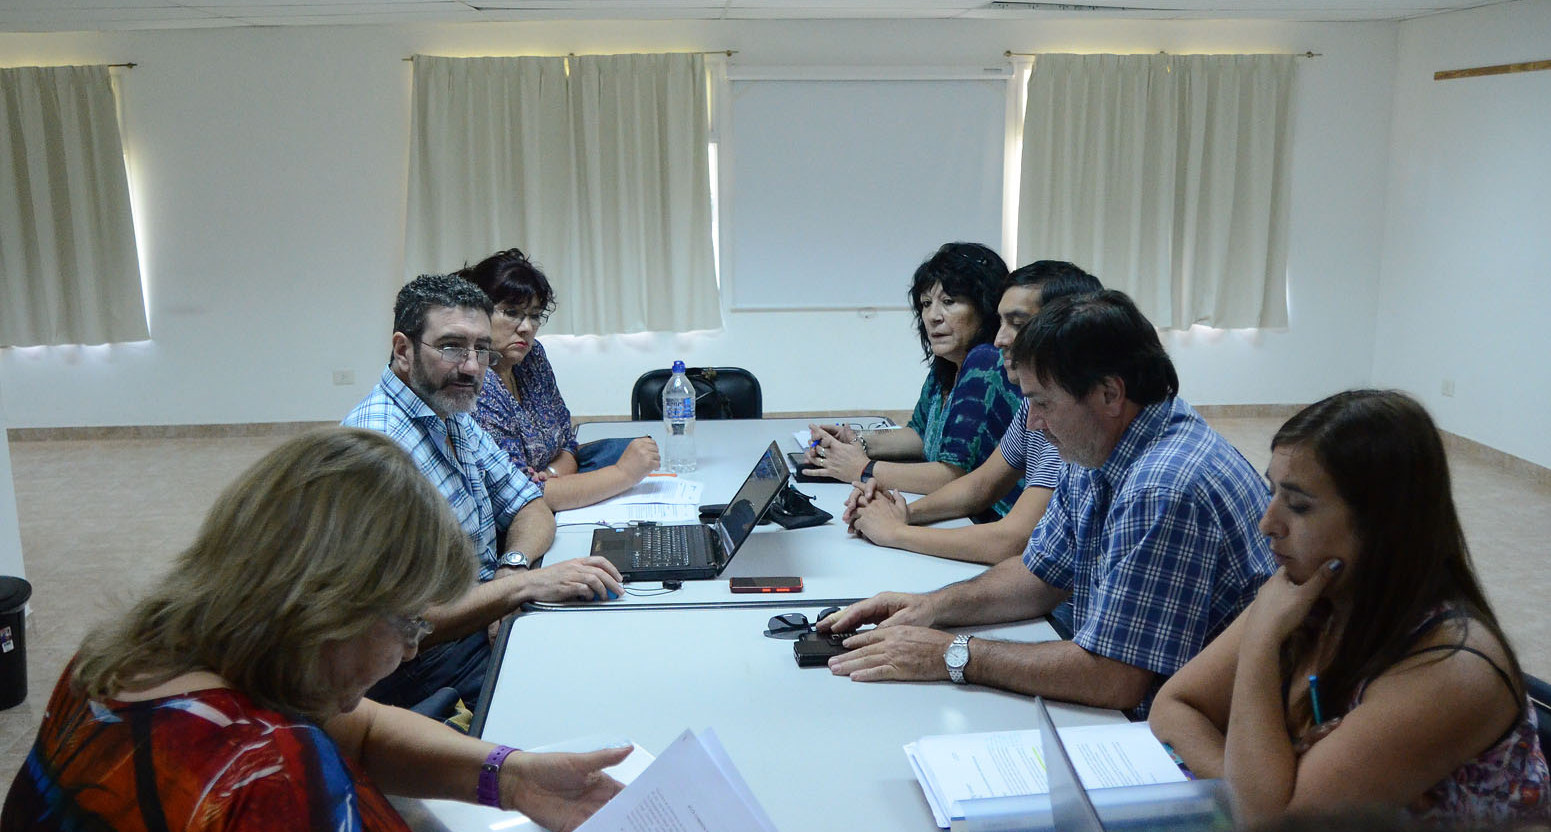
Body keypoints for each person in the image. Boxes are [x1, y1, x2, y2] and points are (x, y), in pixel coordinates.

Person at [0, 428, 630, 832]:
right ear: (330, 608)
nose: (414, 646)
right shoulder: (266, 772)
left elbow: (360, 728)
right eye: (409, 621)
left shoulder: (121, 659)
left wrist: (512, 776)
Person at [820, 290, 1276, 718]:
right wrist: (928, 608)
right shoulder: (1096, 439)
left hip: (1196, 732)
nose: (1033, 424)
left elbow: (1115, 677)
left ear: (1110, 393)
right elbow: (1040, 574)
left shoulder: (1163, 487)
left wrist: (951, 653)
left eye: (1043, 403)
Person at [1149, 390, 1549, 825]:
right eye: (1273, 492)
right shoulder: (1314, 593)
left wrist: (1261, 642)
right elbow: (1174, 706)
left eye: (1298, 505)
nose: (1267, 523)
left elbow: (1274, 822)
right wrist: (1258, 783)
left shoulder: (1454, 669)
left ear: (1382, 524)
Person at [343, 274, 623, 711]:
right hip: (423, 658)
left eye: (480, 349)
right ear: (403, 351)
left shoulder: (450, 409)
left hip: (480, 611)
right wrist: (520, 588)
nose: (473, 367)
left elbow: (530, 504)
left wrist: (511, 572)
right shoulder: (377, 451)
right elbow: (408, 622)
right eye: (452, 347)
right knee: (583, 691)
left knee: (605, 632)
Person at [844, 261, 1101, 565]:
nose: (1000, 339)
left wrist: (896, 530)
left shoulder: (1071, 413)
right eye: (925, 304)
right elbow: (980, 484)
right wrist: (903, 510)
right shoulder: (1035, 403)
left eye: (1017, 324)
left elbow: (1012, 540)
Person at [803, 242, 1023, 513]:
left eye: (949, 302)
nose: (932, 316)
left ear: (985, 307)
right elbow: (919, 434)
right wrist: (857, 440)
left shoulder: (986, 361)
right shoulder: (949, 362)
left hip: (988, 518)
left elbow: (953, 475)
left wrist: (861, 468)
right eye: (926, 304)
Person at [458, 248, 660, 511]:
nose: (526, 328)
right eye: (511, 312)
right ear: (477, 313)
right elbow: (523, 494)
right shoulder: (473, 382)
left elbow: (567, 441)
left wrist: (553, 473)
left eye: (534, 315)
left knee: (648, 451)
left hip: (559, 483)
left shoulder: (532, 356)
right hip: (517, 517)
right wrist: (624, 474)